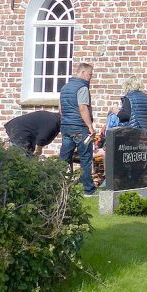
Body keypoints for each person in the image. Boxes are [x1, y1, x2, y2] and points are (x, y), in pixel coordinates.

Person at [58, 62, 96, 196]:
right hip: (80, 128)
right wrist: (90, 127)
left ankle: (59, 186)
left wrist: (66, 122)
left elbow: (61, 110)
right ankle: (88, 189)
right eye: (90, 74)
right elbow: (83, 107)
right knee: (85, 158)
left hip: (66, 127)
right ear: (82, 72)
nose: (90, 77)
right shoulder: (82, 88)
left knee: (64, 158)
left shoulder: (65, 88)